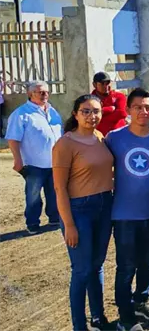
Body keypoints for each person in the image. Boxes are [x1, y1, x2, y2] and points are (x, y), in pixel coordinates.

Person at [105, 89, 149, 331]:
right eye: (138, 107)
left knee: (147, 262)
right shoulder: (114, 138)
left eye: (148, 108)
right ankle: (125, 315)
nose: (143, 112)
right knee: (126, 265)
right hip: (123, 214)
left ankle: (141, 300)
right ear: (129, 110)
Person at [52, 95, 114, 331]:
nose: (92, 116)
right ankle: (80, 324)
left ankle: (98, 318)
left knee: (97, 265)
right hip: (80, 210)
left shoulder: (99, 138)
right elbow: (59, 187)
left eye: (96, 111)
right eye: (86, 111)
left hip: (104, 206)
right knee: (82, 269)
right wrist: (68, 224)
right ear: (75, 114)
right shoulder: (65, 144)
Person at [5, 81, 62, 233]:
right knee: (33, 196)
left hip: (54, 163)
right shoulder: (21, 114)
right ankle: (32, 223)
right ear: (30, 94)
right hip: (33, 164)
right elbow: (13, 139)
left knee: (54, 192)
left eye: (46, 92)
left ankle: (54, 218)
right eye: (40, 92)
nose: (45, 95)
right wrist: (18, 160)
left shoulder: (52, 111)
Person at [90, 72, 127, 136]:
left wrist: (100, 116)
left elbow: (122, 113)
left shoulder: (119, 96)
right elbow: (90, 116)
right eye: (102, 83)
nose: (106, 86)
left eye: (107, 83)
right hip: (99, 137)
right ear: (94, 85)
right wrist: (109, 109)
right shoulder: (89, 100)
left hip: (119, 135)